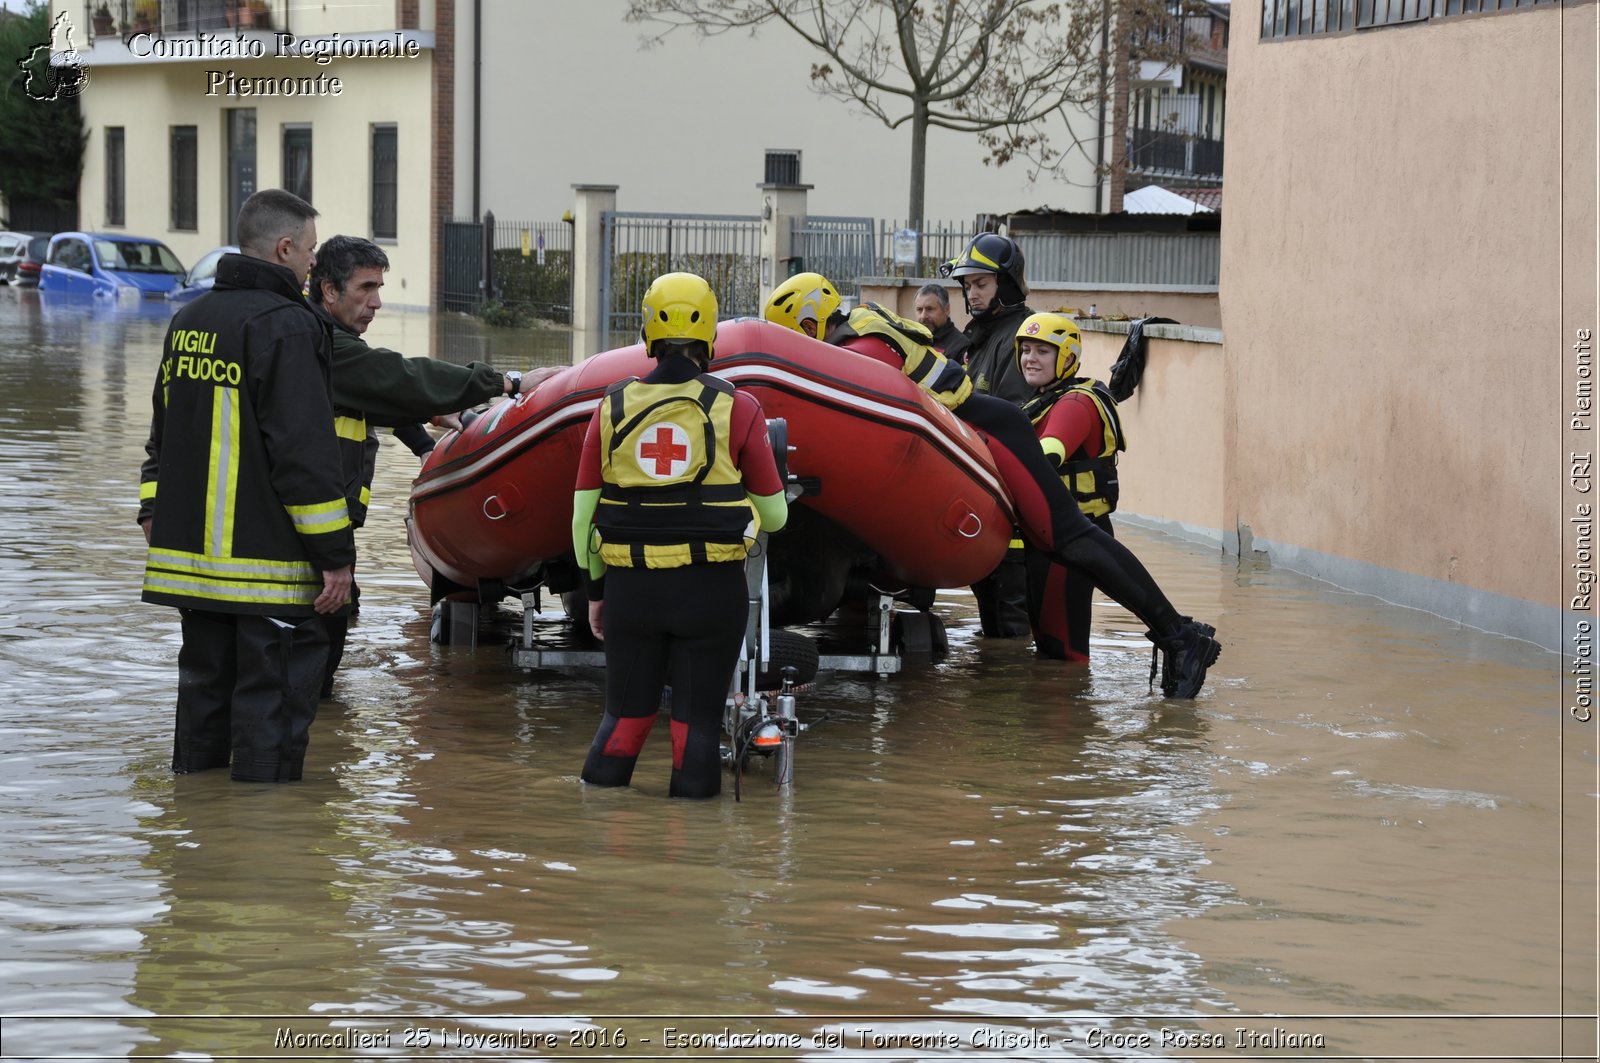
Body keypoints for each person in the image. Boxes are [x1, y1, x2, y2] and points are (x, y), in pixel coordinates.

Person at [762, 273, 1221, 699]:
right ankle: (1176, 635)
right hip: (981, 429)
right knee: (1062, 541)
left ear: (810, 320)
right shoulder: (862, 330)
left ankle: (1178, 635)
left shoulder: (864, 346)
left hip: (995, 429)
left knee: (1069, 536)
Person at [137, 188, 354, 783]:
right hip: (269, 571)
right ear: (285, 249)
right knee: (272, 722)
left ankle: (200, 841)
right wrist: (335, 558)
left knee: (203, 706)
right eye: (310, 250)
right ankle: (264, 848)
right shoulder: (287, 327)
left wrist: (152, 514)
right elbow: (304, 455)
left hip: (192, 568)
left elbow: (160, 435)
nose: (314, 262)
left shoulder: (189, 320)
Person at [306, 234, 561, 697]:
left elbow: (374, 398)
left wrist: (427, 437)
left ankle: (320, 747)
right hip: (313, 529)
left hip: (327, 528)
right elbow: (395, 376)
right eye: (366, 288)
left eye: (379, 288)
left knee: (337, 625)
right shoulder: (323, 345)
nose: (376, 302)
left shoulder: (323, 342)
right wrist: (509, 382)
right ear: (328, 289)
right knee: (320, 641)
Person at [573, 272, 789, 798]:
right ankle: (693, 858)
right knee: (694, 724)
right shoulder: (738, 408)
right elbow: (777, 517)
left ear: (647, 332)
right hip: (711, 593)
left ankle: (595, 838)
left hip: (631, 592)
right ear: (710, 332)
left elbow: (583, 523)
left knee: (624, 719)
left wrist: (597, 595)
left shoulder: (611, 408)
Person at [1013, 311, 1125, 662]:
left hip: (1073, 539)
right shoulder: (1043, 400)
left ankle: (1071, 712)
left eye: (1042, 352)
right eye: (1026, 349)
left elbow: (1050, 453)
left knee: (1065, 652)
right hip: (1051, 538)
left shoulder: (1075, 403)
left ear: (1067, 357)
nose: (1030, 358)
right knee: (1049, 648)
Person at [913, 282, 971, 365]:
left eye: (929, 309)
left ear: (947, 309)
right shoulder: (912, 340)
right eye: (919, 309)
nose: (923, 316)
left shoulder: (962, 346)